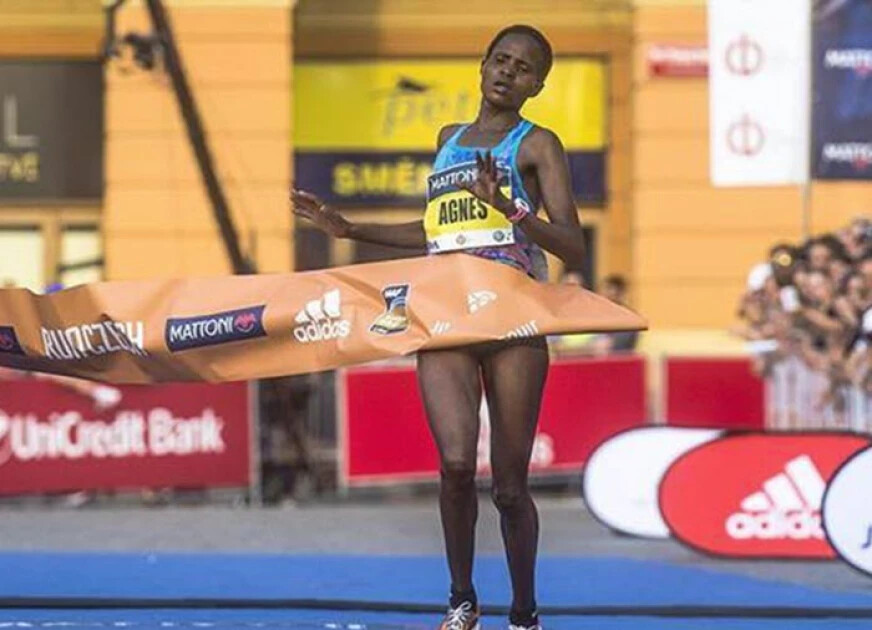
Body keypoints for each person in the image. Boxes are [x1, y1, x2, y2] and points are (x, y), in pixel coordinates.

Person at [291, 24, 585, 630]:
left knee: (509, 485)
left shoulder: (538, 145)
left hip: (511, 316)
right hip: (447, 313)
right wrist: (349, 229)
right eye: (500, 60)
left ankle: (524, 613)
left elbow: (572, 245)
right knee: (454, 465)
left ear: (537, 85)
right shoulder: (448, 139)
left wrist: (511, 208)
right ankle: (461, 600)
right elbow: (435, 231)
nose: (507, 73)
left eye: (523, 68)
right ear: (482, 66)